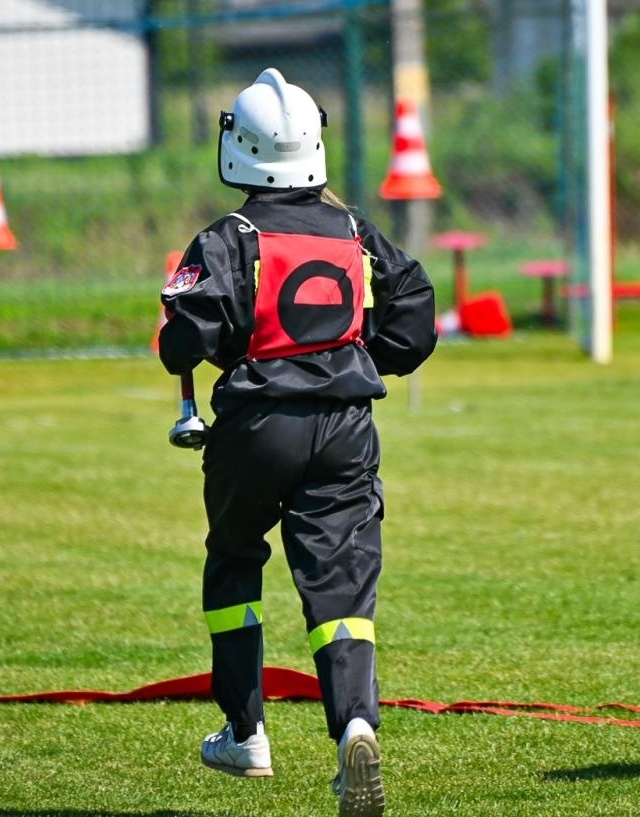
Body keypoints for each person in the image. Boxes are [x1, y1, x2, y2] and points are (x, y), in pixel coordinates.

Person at [159, 68, 435, 817]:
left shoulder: (232, 236)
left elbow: (189, 335)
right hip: (348, 426)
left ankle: (246, 730)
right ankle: (353, 722)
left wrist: (179, 331)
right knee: (340, 584)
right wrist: (352, 358)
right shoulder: (354, 231)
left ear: (240, 147)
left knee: (235, 557)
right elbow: (414, 319)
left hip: (256, 425)